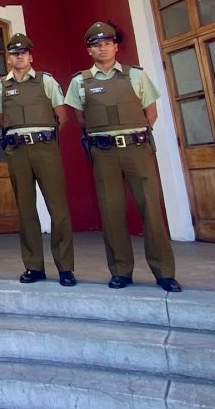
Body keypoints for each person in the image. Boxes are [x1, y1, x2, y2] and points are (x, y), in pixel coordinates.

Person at [65, 22, 181, 293]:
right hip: (104, 152)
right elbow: (80, 118)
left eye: (107, 43)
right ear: (89, 50)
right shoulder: (79, 81)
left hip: (136, 149)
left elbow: (150, 113)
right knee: (111, 211)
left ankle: (164, 272)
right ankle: (120, 271)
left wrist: (134, 135)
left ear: (116, 46)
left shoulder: (136, 76)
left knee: (150, 210)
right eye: (96, 44)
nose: (102, 48)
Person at [0, 34, 76, 286]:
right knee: (26, 210)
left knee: (58, 209)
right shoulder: (0, 86)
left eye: (23, 52)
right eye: (14, 53)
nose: (19, 57)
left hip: (45, 148)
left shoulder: (46, 81)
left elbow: (62, 117)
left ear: (31, 56)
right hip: (17, 151)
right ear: (9, 57)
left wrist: (42, 138)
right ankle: (34, 266)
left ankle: (65, 267)